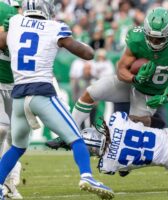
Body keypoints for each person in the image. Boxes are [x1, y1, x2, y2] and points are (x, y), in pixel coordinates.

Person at [0, 0, 113, 199]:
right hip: (40, 92)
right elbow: (87, 53)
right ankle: (87, 176)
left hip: (18, 96)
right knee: (76, 138)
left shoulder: (16, 21)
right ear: (47, 9)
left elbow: (3, 40)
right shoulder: (55, 27)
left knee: (17, 146)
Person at [71, 7, 168, 129]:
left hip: (149, 94)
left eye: (159, 39)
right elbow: (121, 70)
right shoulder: (137, 39)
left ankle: (157, 125)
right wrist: (135, 78)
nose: (153, 41)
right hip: (128, 83)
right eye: (150, 37)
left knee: (132, 129)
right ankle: (69, 132)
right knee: (91, 93)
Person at [0, 1, 23, 199]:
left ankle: (9, 178)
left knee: (17, 134)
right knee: (2, 128)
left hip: (17, 82)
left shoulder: (22, 19)